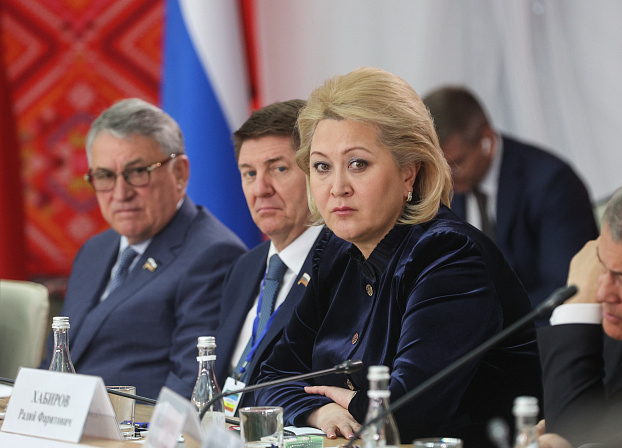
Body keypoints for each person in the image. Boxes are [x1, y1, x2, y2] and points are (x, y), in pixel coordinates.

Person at [254, 67, 543, 446]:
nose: (337, 187)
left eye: (358, 164)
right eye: (322, 166)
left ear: (409, 173)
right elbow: (268, 379)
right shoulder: (335, 249)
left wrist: (352, 402)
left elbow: (407, 412)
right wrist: (320, 410)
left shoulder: (449, 255)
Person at [40, 98, 247, 399]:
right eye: (105, 176)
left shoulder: (213, 255)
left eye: (137, 172)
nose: (120, 193)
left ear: (180, 173)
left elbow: (190, 386)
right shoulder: (94, 250)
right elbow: (54, 362)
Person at [423, 87, 598, 315]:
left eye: (456, 163)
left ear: (486, 140)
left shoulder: (552, 185)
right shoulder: (444, 190)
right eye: (437, 167)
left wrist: (485, 321)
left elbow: (563, 289)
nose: (446, 177)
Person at [537, 171, 622, 447]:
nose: (600, 294)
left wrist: (575, 312)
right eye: (600, 266)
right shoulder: (617, 322)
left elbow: (570, 438)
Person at [212, 99, 326, 411]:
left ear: (315, 171)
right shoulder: (244, 267)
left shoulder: (341, 263)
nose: (260, 189)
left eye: (278, 169)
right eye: (249, 173)